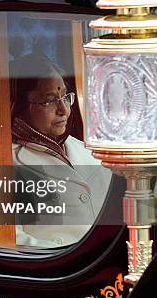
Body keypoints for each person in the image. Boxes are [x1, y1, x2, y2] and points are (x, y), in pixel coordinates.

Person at [10, 54, 113, 248]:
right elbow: (12, 241)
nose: (64, 110)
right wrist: (73, 255)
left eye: (66, 97)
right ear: (19, 106)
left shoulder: (88, 149)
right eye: (49, 101)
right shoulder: (3, 163)